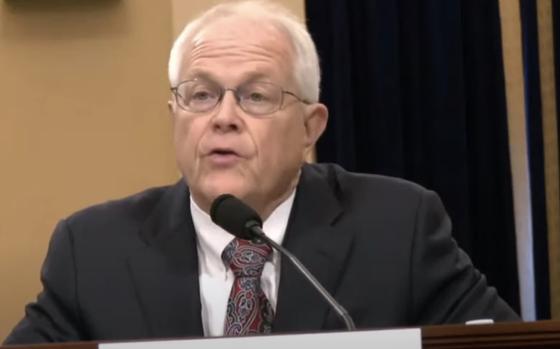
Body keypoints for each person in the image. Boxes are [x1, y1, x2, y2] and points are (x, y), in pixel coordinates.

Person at [4, 0, 519, 344]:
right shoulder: (93, 249)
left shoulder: (398, 227)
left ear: (309, 127)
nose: (222, 117)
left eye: (255, 95)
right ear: (174, 117)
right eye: (200, 94)